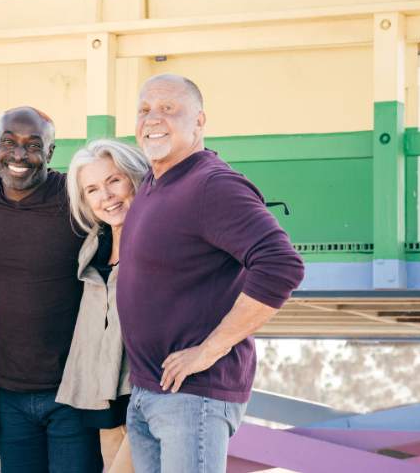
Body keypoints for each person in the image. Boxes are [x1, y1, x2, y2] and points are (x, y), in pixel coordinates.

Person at [116, 73, 306, 473]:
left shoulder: (211, 185)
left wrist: (209, 350)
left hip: (193, 399)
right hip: (150, 392)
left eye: (168, 108)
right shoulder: (155, 179)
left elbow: (281, 264)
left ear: (199, 122)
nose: (152, 119)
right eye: (144, 110)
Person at [0, 107, 102, 473]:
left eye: (33, 145)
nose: (18, 155)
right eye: (9, 142)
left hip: (73, 393)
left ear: (50, 152)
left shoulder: (75, 197)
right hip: (10, 396)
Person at [57, 140, 151, 473]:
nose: (106, 196)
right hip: (104, 400)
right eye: (92, 189)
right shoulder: (93, 246)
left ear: (135, 177)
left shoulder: (159, 237)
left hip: (147, 397)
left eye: (113, 180)